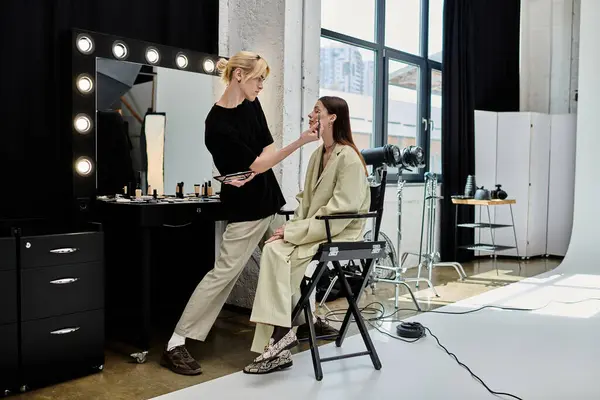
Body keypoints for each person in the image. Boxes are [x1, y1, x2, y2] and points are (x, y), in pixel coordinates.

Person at [160, 51, 320, 375]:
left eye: (263, 79)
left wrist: (262, 163)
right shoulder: (216, 125)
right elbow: (258, 164)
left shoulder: (251, 104)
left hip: (269, 201)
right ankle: (175, 344)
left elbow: (265, 152)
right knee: (223, 274)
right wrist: (301, 141)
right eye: (258, 78)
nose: (262, 85)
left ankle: (305, 323)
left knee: (286, 264)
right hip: (246, 210)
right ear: (238, 76)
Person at [242, 96, 371, 374]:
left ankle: (278, 340)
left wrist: (292, 231)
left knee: (280, 253)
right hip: (317, 228)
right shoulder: (317, 155)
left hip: (339, 232)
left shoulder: (348, 157)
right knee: (274, 250)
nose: (310, 115)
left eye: (317, 111)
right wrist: (288, 231)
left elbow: (340, 213)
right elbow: (307, 202)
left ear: (332, 118)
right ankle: (282, 334)